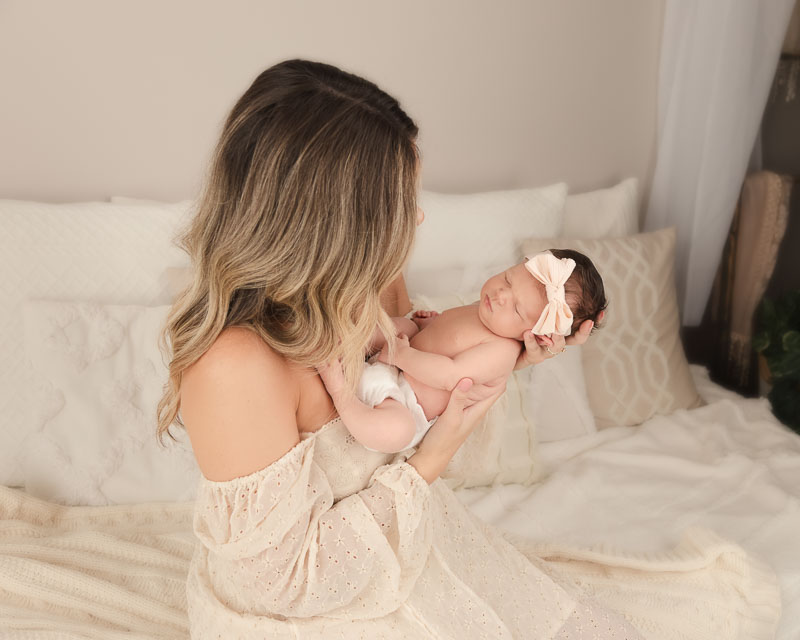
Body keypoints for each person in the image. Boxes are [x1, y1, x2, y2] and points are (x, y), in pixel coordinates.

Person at [159, 59, 780, 639]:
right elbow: (288, 585)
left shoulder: (358, 292)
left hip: (399, 548)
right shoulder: (233, 366)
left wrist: (507, 355)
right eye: (404, 201)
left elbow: (405, 414)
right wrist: (437, 454)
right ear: (337, 219)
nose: (419, 219)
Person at [322, 250, 608, 454]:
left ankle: (341, 394)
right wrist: (429, 323)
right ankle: (338, 337)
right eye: (508, 279)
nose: (500, 295)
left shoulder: (502, 351)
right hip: (396, 358)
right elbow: (451, 333)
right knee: (399, 325)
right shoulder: (486, 309)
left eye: (517, 308)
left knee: (398, 431)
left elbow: (450, 375)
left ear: (536, 334)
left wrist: (402, 356)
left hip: (405, 399)